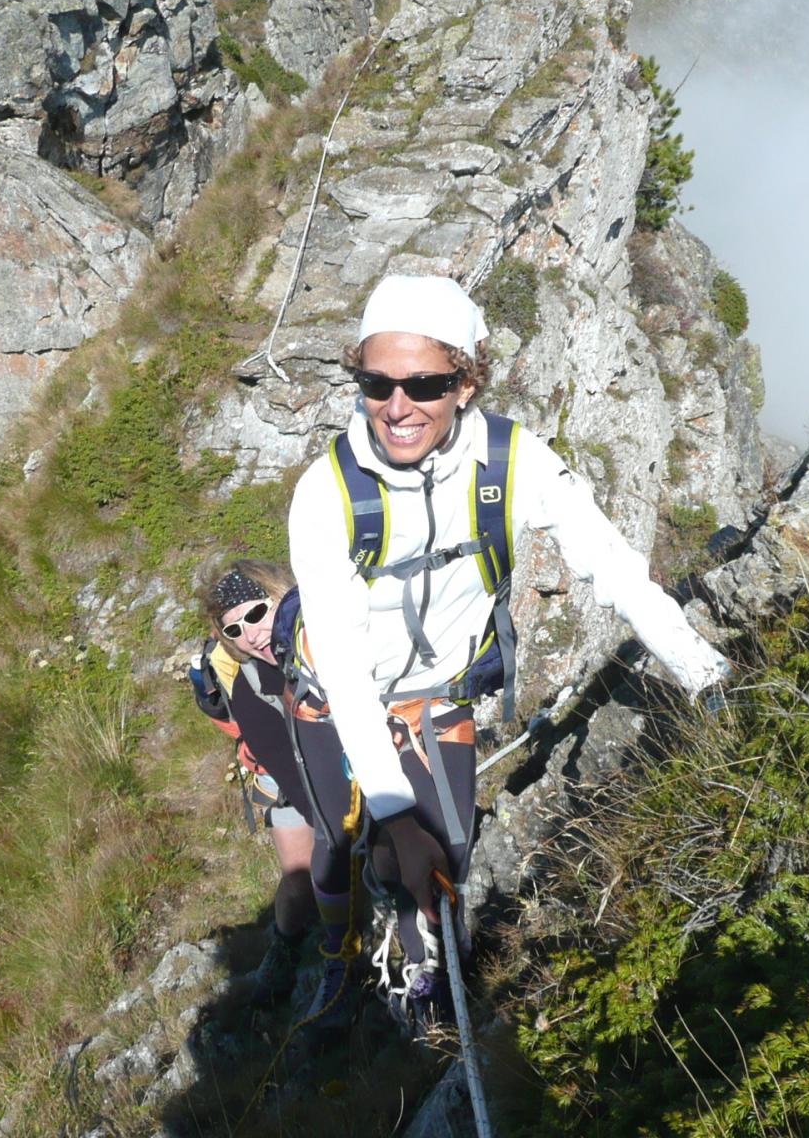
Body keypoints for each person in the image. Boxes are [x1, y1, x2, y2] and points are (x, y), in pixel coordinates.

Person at [285, 273, 731, 1031]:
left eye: (425, 383)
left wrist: (702, 671)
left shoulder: (509, 463)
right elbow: (346, 669)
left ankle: (419, 965)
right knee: (359, 842)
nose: (398, 407)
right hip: (335, 697)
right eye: (377, 382)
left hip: (440, 692)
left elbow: (613, 566)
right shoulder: (327, 494)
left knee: (449, 852)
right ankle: (355, 954)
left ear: (466, 381)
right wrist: (396, 821)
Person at [190, 559, 319, 1005]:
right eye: (234, 630)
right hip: (290, 775)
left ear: (281, 597)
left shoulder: (329, 632)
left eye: (257, 614)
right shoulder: (249, 687)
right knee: (301, 876)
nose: (250, 634)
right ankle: (285, 944)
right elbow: (291, 774)